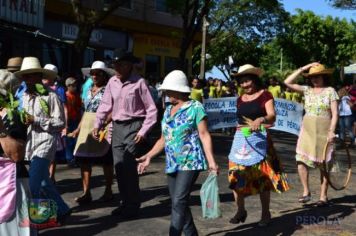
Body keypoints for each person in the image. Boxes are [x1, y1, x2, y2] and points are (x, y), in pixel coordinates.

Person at [136, 70, 219, 236]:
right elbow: (163, 139)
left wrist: (211, 162)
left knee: (179, 200)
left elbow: (204, 134)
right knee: (177, 202)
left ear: (179, 90)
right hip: (172, 162)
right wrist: (149, 156)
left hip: (191, 161)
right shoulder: (167, 111)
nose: (165, 94)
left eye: (168, 91)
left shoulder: (196, 107)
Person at [93, 52, 157, 219]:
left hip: (134, 125)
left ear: (129, 65)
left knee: (128, 167)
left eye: (120, 64)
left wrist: (143, 131)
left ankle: (133, 205)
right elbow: (105, 105)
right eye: (115, 65)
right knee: (119, 168)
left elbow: (152, 110)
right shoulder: (112, 82)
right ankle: (125, 202)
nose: (117, 68)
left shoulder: (139, 83)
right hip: (117, 127)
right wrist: (97, 124)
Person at [228, 64, 289, 227]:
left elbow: (272, 116)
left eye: (247, 81)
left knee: (262, 179)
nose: (245, 85)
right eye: (241, 82)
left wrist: (261, 119)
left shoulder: (265, 95)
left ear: (254, 80)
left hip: (261, 142)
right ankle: (240, 210)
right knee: (236, 177)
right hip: (241, 142)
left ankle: (265, 213)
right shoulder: (239, 99)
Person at [14, 57, 71, 224]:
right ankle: (62, 210)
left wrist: (36, 120)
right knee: (44, 182)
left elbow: (60, 123)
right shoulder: (23, 96)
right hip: (30, 144)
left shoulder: (51, 96)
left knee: (33, 185)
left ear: (39, 76)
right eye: (25, 76)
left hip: (45, 144)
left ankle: (39, 222)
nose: (27, 79)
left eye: (31, 75)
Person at [284, 62, 338, 207]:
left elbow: (335, 114)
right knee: (300, 161)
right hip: (307, 130)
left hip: (324, 131)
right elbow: (287, 82)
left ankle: (323, 196)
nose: (315, 79)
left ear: (324, 77)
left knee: (324, 164)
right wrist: (304, 67)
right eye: (312, 77)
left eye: (318, 76)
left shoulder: (330, 91)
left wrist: (332, 131)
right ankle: (306, 191)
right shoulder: (307, 90)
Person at [69, 61, 115, 203]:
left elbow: (114, 109)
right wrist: (77, 129)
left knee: (106, 161)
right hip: (87, 125)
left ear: (104, 75)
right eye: (92, 73)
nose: (94, 76)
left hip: (104, 124)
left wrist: (104, 123)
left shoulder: (109, 90)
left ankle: (108, 190)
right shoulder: (87, 90)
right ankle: (86, 192)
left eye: (98, 73)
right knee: (84, 161)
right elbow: (86, 111)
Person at [0, 70, 37, 236]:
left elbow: (16, 155)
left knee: (14, 229)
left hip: (12, 181)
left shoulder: (14, 116)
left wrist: (0, 129)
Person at [42, 64, 68, 182]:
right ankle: (44, 176)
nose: (46, 77)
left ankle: (51, 177)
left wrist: (65, 125)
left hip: (54, 124)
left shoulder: (59, 89)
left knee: (52, 152)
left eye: (49, 74)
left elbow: (64, 108)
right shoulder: (39, 87)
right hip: (41, 124)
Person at [64, 77, 82, 166]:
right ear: (68, 86)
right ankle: (69, 159)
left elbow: (79, 107)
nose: (75, 87)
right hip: (69, 121)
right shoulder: (65, 96)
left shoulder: (76, 95)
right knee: (69, 141)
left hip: (75, 120)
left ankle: (75, 158)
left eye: (75, 85)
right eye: (73, 85)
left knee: (75, 140)